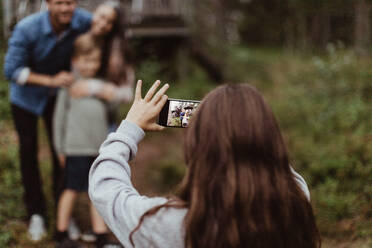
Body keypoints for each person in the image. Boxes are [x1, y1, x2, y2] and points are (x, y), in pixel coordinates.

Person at [88, 80, 322, 248]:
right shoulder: (296, 202)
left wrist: (130, 127)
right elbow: (275, 165)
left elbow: (106, 188)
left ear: (200, 146)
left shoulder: (171, 225)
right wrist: (239, 122)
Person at [3, 0, 91, 241]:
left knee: (62, 152)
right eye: (60, 3)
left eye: (70, 2)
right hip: (25, 99)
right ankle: (36, 214)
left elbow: (100, 40)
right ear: (48, 4)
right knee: (28, 152)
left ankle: (64, 214)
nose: (66, 8)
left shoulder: (83, 21)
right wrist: (50, 80)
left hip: (59, 99)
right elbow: (11, 70)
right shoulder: (27, 29)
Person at [53, 34, 116, 248]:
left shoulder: (100, 87)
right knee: (70, 189)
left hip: (98, 149)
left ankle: (101, 236)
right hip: (76, 148)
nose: (91, 65)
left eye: (95, 60)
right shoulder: (68, 86)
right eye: (86, 60)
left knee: (96, 193)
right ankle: (61, 234)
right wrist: (60, 149)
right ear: (75, 61)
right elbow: (58, 120)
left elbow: (112, 112)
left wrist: (108, 96)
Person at [68, 0, 135, 129]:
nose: (103, 24)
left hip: (105, 119)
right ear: (93, 13)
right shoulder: (80, 40)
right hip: (78, 119)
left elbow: (128, 94)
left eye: (110, 22)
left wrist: (95, 88)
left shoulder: (118, 52)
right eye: (101, 16)